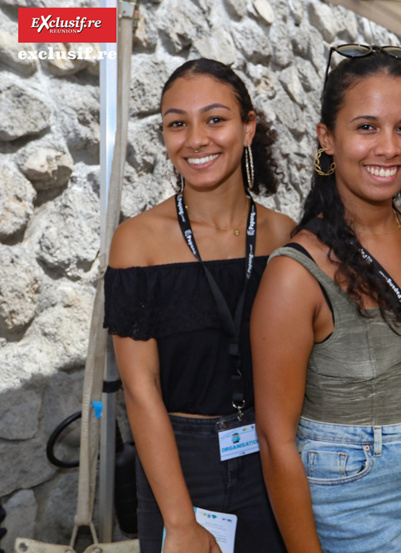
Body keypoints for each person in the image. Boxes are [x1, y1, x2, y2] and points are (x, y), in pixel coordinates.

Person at [251, 46, 401, 553]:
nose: (389, 147)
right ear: (328, 137)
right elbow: (275, 440)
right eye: (366, 127)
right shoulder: (295, 275)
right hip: (354, 493)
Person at [104, 59, 294, 553]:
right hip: (177, 466)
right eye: (176, 123)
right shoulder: (137, 242)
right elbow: (140, 389)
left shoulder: (285, 236)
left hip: (275, 456)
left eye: (215, 119)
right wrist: (180, 521)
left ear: (248, 127)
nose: (195, 138)